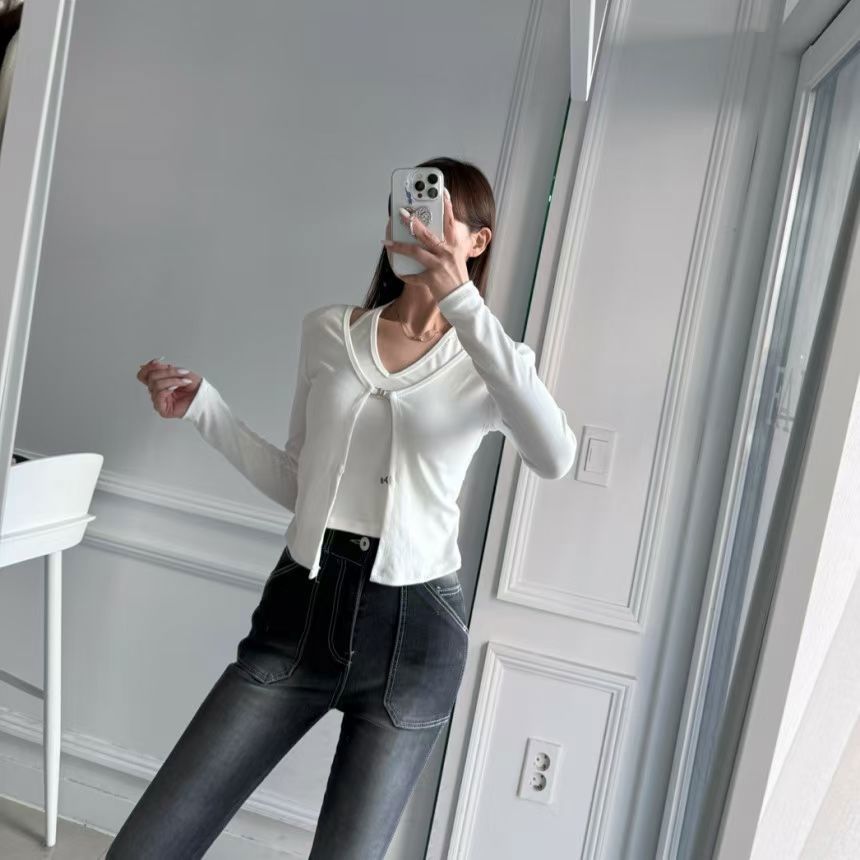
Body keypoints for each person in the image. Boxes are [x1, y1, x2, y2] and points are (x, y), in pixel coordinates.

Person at [108, 157, 577, 859]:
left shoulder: (492, 360)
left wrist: (462, 304)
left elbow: (554, 455)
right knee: (149, 846)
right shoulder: (330, 330)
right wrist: (207, 410)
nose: (417, 223)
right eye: (407, 208)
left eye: (438, 213)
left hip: (414, 636)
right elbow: (302, 484)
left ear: (477, 240)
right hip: (299, 611)